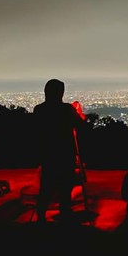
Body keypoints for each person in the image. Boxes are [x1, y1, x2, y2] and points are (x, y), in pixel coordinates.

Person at [33, 79, 85, 225]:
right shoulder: (66, 109)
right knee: (65, 187)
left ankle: (41, 216)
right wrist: (78, 113)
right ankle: (65, 215)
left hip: (47, 154)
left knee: (46, 187)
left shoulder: (39, 110)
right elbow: (80, 125)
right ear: (60, 93)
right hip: (64, 154)